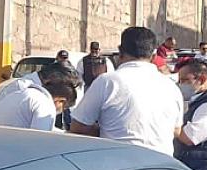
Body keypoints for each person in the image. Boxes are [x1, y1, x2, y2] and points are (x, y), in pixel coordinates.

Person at [70, 27, 185, 156]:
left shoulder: (108, 82)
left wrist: (107, 131)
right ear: (153, 56)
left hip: (119, 168)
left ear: (120, 53)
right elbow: (176, 131)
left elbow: (78, 127)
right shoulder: (171, 87)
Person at [0, 75, 77, 131]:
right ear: (60, 101)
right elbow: (39, 142)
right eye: (64, 108)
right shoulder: (45, 105)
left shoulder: (22, 93)